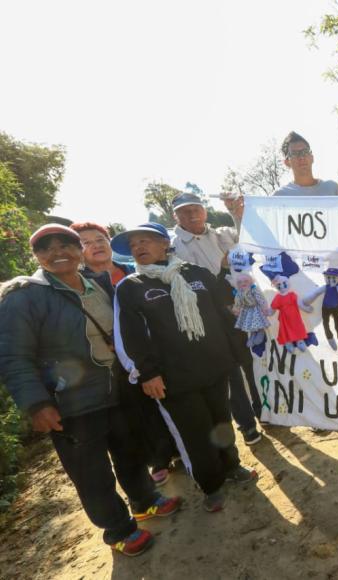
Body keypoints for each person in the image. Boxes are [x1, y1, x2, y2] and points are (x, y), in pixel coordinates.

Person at [0, 224, 181, 557]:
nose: (58, 253)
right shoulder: (23, 296)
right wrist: (37, 404)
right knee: (91, 473)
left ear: (79, 250)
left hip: (116, 391)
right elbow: (13, 356)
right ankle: (118, 529)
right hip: (71, 403)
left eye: (66, 245)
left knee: (130, 453)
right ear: (37, 256)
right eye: (47, 249)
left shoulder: (97, 283)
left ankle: (143, 502)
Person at [113, 223, 258, 512]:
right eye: (133, 245)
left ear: (164, 243)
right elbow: (128, 336)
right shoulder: (131, 287)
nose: (138, 247)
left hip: (215, 368)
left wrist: (241, 341)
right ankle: (211, 485)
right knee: (194, 435)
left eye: (145, 241)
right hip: (173, 380)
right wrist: (147, 373)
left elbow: (224, 312)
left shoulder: (196, 274)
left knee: (221, 422)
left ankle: (232, 467)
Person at [71, 221, 176, 486]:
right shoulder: (79, 286)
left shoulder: (134, 271)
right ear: (78, 251)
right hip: (117, 363)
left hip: (158, 350)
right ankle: (159, 459)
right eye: (85, 242)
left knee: (170, 399)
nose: (95, 245)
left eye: (99, 239)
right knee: (139, 410)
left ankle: (178, 448)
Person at [169, 192, 264, 447]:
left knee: (251, 361)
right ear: (175, 216)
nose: (191, 215)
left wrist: (238, 213)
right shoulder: (172, 245)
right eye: (184, 211)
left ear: (205, 211)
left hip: (240, 308)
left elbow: (252, 239)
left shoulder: (223, 233)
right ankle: (247, 425)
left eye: (196, 209)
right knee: (229, 372)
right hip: (207, 317)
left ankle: (263, 411)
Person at [272, 132, 338, 196]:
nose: (301, 157)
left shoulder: (332, 189)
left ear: (312, 157)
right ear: (287, 162)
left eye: (305, 152)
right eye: (294, 154)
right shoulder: (280, 196)